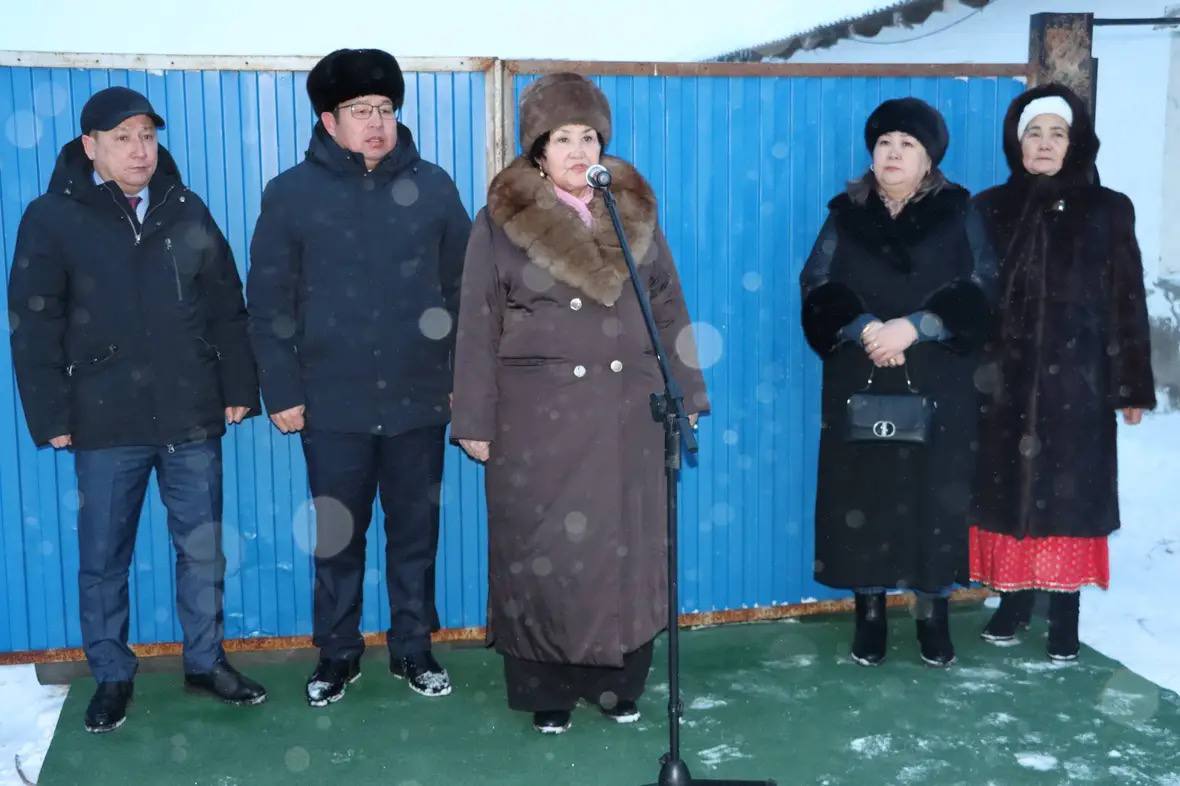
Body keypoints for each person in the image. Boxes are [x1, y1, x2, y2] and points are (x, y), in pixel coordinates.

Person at [450, 73, 709, 734]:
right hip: (539, 422)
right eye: (561, 137)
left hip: (629, 415)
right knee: (547, 553)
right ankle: (548, 689)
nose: (577, 149)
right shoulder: (500, 222)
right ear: (538, 150)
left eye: (587, 136)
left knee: (626, 550)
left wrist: (687, 391)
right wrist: (473, 418)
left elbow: (668, 306)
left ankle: (619, 684)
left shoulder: (632, 211)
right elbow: (477, 323)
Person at [8, 86, 267, 733]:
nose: (139, 150)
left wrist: (238, 384)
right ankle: (112, 675)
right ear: (90, 146)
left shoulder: (185, 208)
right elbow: (34, 324)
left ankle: (205, 662)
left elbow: (226, 303)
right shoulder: (53, 217)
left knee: (202, 549)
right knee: (103, 559)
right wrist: (51, 416)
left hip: (189, 411)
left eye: (147, 136)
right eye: (122, 138)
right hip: (103, 418)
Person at [247, 49, 471, 706]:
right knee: (337, 536)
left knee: (415, 534)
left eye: (385, 109)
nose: (376, 122)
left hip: (418, 398)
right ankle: (337, 651)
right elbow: (269, 301)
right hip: (331, 403)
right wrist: (282, 389)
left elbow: (463, 291)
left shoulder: (434, 187)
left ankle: (413, 646)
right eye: (359, 110)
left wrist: (458, 377)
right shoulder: (291, 194)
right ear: (328, 119)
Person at [800, 97, 995, 669]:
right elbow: (816, 283)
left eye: (907, 144)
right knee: (863, 497)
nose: (893, 153)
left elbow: (984, 284)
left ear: (929, 159)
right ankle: (870, 614)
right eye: (885, 143)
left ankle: (933, 615)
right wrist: (865, 328)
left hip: (938, 378)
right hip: (860, 373)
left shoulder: (959, 211)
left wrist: (917, 327)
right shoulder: (845, 213)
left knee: (934, 496)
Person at [970, 84, 1155, 661]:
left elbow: (1128, 299)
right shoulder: (988, 208)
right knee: (1008, 492)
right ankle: (1014, 601)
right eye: (1034, 133)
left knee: (1068, 495)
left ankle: (1065, 613)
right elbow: (970, 296)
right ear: (1016, 142)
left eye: (1057, 133)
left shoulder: (1108, 209)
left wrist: (1131, 383)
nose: (1045, 144)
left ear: (1076, 144)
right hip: (1002, 383)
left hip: (1079, 381)